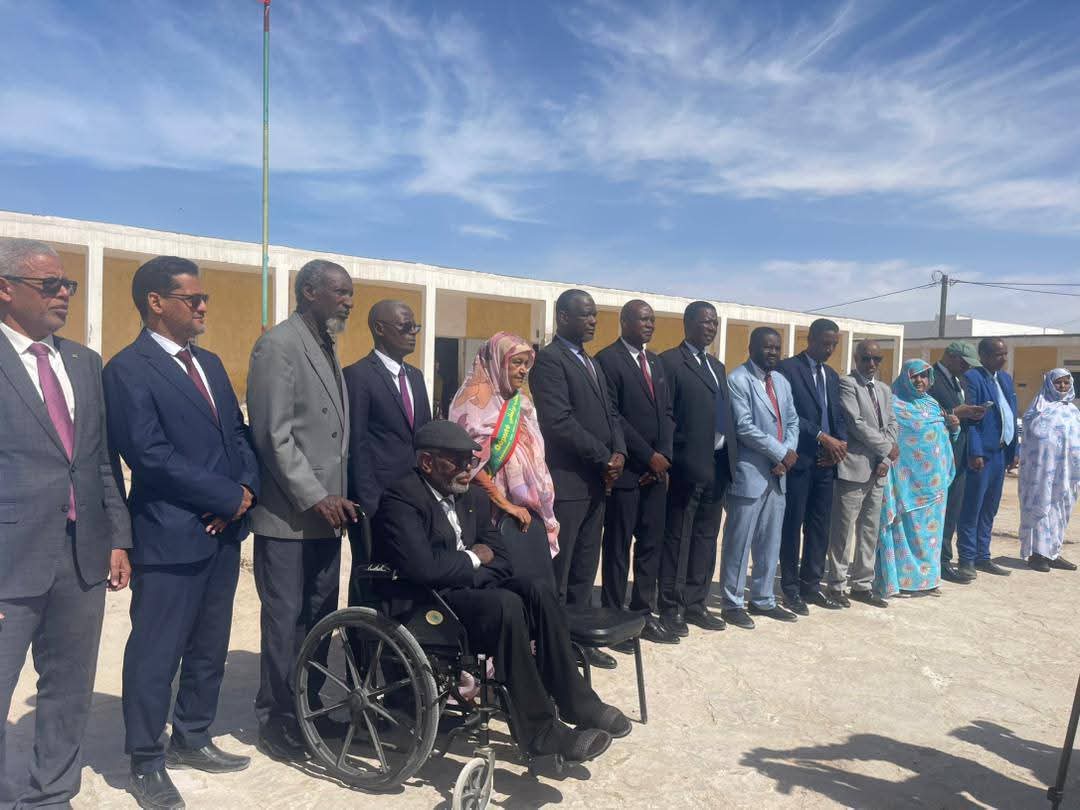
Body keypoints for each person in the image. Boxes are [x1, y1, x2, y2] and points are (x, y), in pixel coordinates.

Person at [371, 420, 631, 763]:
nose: (468, 468)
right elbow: (424, 568)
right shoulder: (402, 498)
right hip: (426, 604)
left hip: (467, 592)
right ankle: (541, 733)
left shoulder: (472, 497)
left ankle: (579, 704)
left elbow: (503, 559)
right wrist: (473, 558)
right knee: (506, 605)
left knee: (537, 590)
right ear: (427, 462)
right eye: (457, 460)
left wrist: (466, 568)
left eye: (470, 460)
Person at [103, 256, 259, 809]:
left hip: (222, 532)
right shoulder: (127, 369)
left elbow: (237, 433)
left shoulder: (210, 363)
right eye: (193, 298)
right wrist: (223, 496)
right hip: (169, 535)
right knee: (156, 651)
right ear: (156, 302)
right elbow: (149, 455)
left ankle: (193, 735)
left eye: (203, 298)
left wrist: (244, 492)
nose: (204, 306)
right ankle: (146, 760)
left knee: (209, 647)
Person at [0, 238, 132, 807]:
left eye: (67, 285)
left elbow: (99, 460)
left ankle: (52, 794)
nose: (63, 295)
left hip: (81, 555)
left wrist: (118, 538)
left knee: (69, 687)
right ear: (5, 289)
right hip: (9, 559)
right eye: (49, 285)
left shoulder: (83, 361)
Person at [246, 259, 357, 761]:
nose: (348, 302)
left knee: (318, 617)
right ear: (309, 291)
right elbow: (273, 435)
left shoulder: (326, 344)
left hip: (328, 518)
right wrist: (315, 495)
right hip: (290, 517)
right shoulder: (279, 345)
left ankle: (309, 707)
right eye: (340, 292)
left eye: (349, 294)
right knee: (284, 620)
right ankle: (278, 719)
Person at [531, 290, 626, 668]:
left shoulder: (591, 362)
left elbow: (611, 414)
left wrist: (619, 452)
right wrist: (604, 456)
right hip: (568, 482)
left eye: (594, 315)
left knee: (585, 568)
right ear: (562, 317)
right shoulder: (549, 361)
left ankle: (581, 640)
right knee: (562, 568)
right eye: (585, 314)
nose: (593, 321)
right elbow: (559, 422)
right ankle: (557, 647)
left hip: (596, 481)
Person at [595, 301, 679, 645]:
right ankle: (614, 616)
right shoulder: (607, 360)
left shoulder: (655, 362)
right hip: (628, 472)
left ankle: (643, 613)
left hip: (656, 475)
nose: (650, 324)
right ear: (624, 321)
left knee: (650, 546)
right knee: (617, 547)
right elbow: (613, 416)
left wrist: (665, 457)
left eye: (652, 320)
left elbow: (668, 413)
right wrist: (647, 457)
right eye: (643, 319)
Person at [657, 302, 738, 635]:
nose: (711, 328)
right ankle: (671, 606)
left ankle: (695, 602)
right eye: (705, 322)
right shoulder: (670, 362)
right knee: (678, 537)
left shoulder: (717, 366)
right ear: (687, 323)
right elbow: (666, 415)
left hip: (718, 464)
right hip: (686, 466)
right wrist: (671, 459)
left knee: (706, 536)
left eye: (714, 323)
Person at [343, 300, 431, 601]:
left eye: (415, 327)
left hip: (413, 499)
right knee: (371, 575)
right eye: (405, 327)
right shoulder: (358, 376)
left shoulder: (416, 377)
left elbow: (423, 438)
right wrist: (368, 504)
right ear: (380, 328)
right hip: (376, 502)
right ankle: (361, 631)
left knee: (407, 574)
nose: (413, 333)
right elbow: (356, 444)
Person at [719, 327, 800, 628]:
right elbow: (743, 426)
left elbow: (792, 421)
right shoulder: (738, 380)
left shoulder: (781, 381)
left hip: (778, 475)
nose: (773, 352)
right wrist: (779, 452)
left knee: (770, 540)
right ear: (751, 347)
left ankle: (763, 598)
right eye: (767, 347)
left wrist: (787, 453)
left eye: (777, 347)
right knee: (738, 542)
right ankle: (732, 602)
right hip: (750, 473)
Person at [448, 331, 558, 549]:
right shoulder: (472, 401)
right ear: (497, 362)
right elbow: (469, 464)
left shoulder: (521, 401)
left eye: (526, 364)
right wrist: (504, 503)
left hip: (524, 507)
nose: (523, 370)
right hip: (486, 506)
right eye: (516, 362)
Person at [778, 318, 848, 614]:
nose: (829, 349)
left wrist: (839, 445)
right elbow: (789, 413)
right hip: (800, 460)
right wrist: (822, 436)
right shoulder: (788, 369)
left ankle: (811, 585)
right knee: (792, 526)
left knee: (819, 527)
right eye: (825, 343)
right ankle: (790, 588)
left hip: (826, 463)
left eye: (834, 345)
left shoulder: (831, 375)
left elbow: (837, 415)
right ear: (810, 340)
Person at [873, 360, 959, 599]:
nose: (920, 381)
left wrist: (954, 427)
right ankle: (902, 582)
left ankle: (928, 580)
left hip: (934, 485)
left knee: (931, 536)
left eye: (924, 376)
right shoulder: (893, 404)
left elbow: (942, 437)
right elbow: (887, 438)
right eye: (914, 376)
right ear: (905, 378)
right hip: (905, 484)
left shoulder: (932, 404)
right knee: (905, 531)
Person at [825, 340, 898, 607]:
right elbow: (855, 423)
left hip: (878, 469)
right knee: (843, 531)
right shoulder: (848, 384)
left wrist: (885, 459)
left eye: (877, 359)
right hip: (854, 467)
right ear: (856, 359)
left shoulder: (884, 390)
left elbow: (892, 424)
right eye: (866, 358)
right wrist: (886, 448)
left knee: (869, 529)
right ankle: (836, 584)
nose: (871, 364)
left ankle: (862, 584)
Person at [957, 337, 1018, 579]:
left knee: (990, 507)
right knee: (972, 506)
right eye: (997, 354)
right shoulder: (973, 378)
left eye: (1005, 354)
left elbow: (1010, 413)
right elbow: (971, 420)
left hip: (1001, 453)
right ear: (983, 356)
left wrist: (1014, 451)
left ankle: (983, 556)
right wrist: (975, 451)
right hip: (982, 454)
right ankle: (967, 558)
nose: (1003, 359)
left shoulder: (1005, 379)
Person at [927, 342, 987, 584]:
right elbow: (923, 411)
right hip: (937, 456)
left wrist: (970, 413)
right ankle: (936, 561)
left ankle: (943, 560)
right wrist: (955, 411)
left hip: (958, 454)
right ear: (951, 357)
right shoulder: (929, 378)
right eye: (963, 363)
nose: (966, 368)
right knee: (937, 510)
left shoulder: (957, 380)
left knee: (952, 510)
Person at [1018, 369, 1080, 573]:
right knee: (1041, 506)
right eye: (1057, 383)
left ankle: (1053, 552)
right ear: (1049, 384)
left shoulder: (1073, 411)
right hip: (1041, 473)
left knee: (1061, 509)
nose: (1062, 386)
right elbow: (1031, 436)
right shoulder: (1038, 408)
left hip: (1067, 473)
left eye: (1065, 383)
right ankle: (1037, 555)